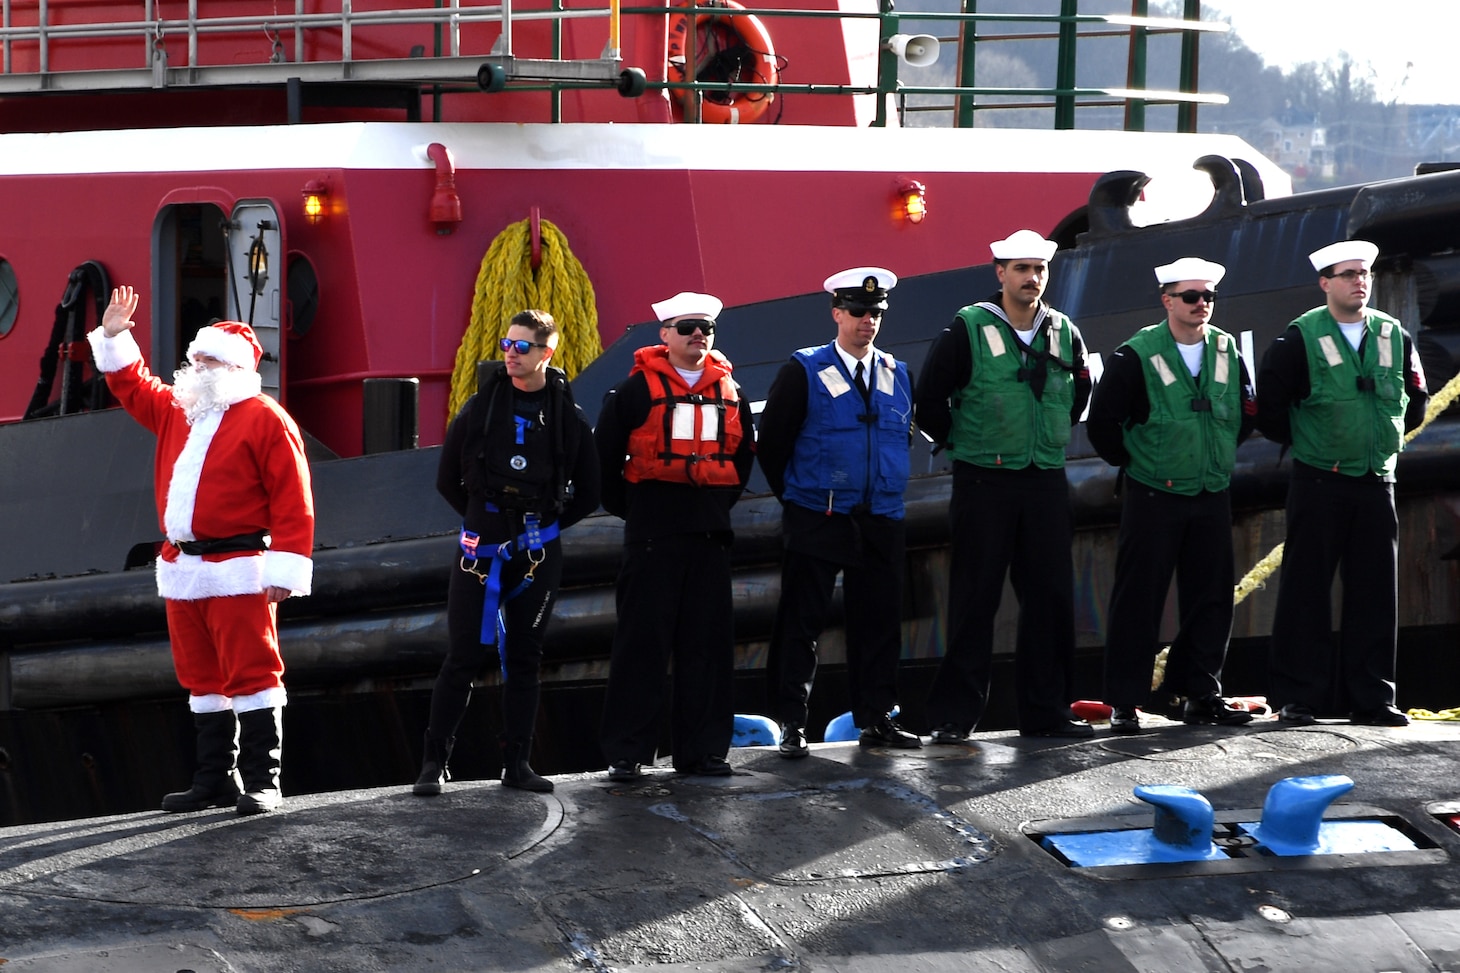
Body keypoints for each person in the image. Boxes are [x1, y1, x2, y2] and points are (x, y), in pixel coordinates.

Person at [87, 285, 314, 816]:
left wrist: (286, 566)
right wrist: (116, 336)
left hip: (238, 567)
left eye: (207, 358)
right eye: (193, 357)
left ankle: (264, 781)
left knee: (254, 674)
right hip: (184, 568)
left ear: (235, 368)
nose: (195, 366)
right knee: (202, 679)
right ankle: (214, 779)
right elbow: (132, 386)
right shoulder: (178, 410)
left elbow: (292, 499)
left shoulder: (265, 418)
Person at [914, 229, 1095, 740]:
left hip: (1043, 479)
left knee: (1051, 599)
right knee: (975, 598)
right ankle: (954, 716)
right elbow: (930, 402)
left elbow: (1079, 394)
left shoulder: (1064, 331)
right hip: (984, 481)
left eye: (1039, 270)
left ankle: (1046, 712)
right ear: (1000, 274)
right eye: (1021, 269)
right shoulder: (968, 328)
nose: (1032, 278)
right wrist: (969, 443)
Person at [414, 310, 600, 796]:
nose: (511, 354)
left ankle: (517, 763)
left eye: (522, 347)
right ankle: (433, 764)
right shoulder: (479, 409)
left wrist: (541, 533)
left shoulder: (567, 418)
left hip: (537, 556)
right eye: (507, 344)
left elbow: (589, 493)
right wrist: (483, 521)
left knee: (524, 658)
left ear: (547, 353)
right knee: (463, 656)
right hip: (480, 553)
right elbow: (445, 480)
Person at [1256, 240, 1429, 727]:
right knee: (1305, 589)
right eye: (1348, 274)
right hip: (1319, 480)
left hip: (1376, 480)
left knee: (1375, 592)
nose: (1359, 281)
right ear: (1325, 283)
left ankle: (1373, 697)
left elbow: (1415, 399)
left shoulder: (1394, 336)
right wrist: (1317, 442)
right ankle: (1298, 696)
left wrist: (1378, 441)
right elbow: (1271, 411)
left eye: (1365, 274)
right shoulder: (1300, 339)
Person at [1087, 258, 1257, 734]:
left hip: (1209, 490)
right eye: (1191, 297)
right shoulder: (1135, 355)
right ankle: (1125, 700)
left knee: (1211, 599)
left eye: (1209, 297)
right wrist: (1144, 463)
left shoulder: (1226, 352)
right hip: (1153, 494)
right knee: (1139, 599)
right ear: (1167, 301)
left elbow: (1244, 415)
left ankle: (1200, 692)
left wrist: (1211, 456)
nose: (1202, 304)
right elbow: (1103, 425)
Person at [757, 267, 920, 756]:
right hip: (819, 514)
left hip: (881, 516)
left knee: (880, 623)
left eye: (876, 313)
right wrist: (799, 499)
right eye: (857, 311)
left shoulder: (897, 373)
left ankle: (876, 717)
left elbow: (902, 437)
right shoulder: (803, 370)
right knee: (801, 623)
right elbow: (774, 445)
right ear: (837, 313)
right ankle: (790, 721)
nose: (867, 321)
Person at [594, 292, 756, 780]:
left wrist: (710, 507)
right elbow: (604, 464)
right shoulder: (633, 393)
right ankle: (628, 752)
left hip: (708, 535)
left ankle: (703, 751)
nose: (697, 335)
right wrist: (640, 511)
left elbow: (742, 459)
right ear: (664, 334)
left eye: (706, 327)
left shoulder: (731, 393)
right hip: (652, 535)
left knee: (706, 647)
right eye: (686, 327)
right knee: (641, 644)